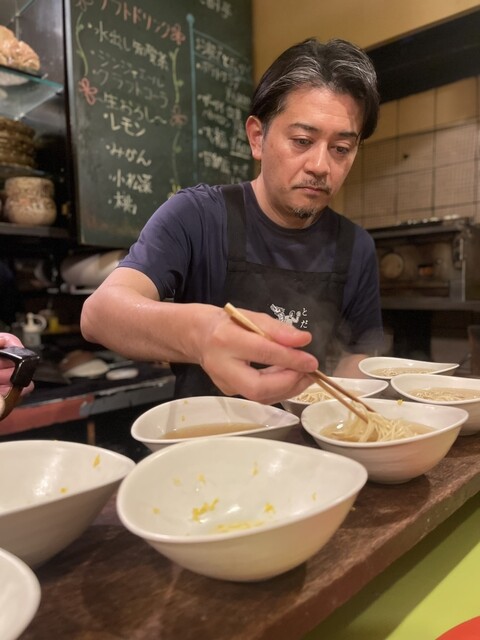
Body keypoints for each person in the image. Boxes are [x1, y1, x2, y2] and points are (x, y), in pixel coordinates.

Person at [81, 37, 383, 405]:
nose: (321, 166)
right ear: (257, 137)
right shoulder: (197, 215)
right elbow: (99, 314)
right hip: (208, 433)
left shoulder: (356, 246)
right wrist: (201, 334)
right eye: (302, 140)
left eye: (341, 149)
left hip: (308, 435)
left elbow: (357, 355)